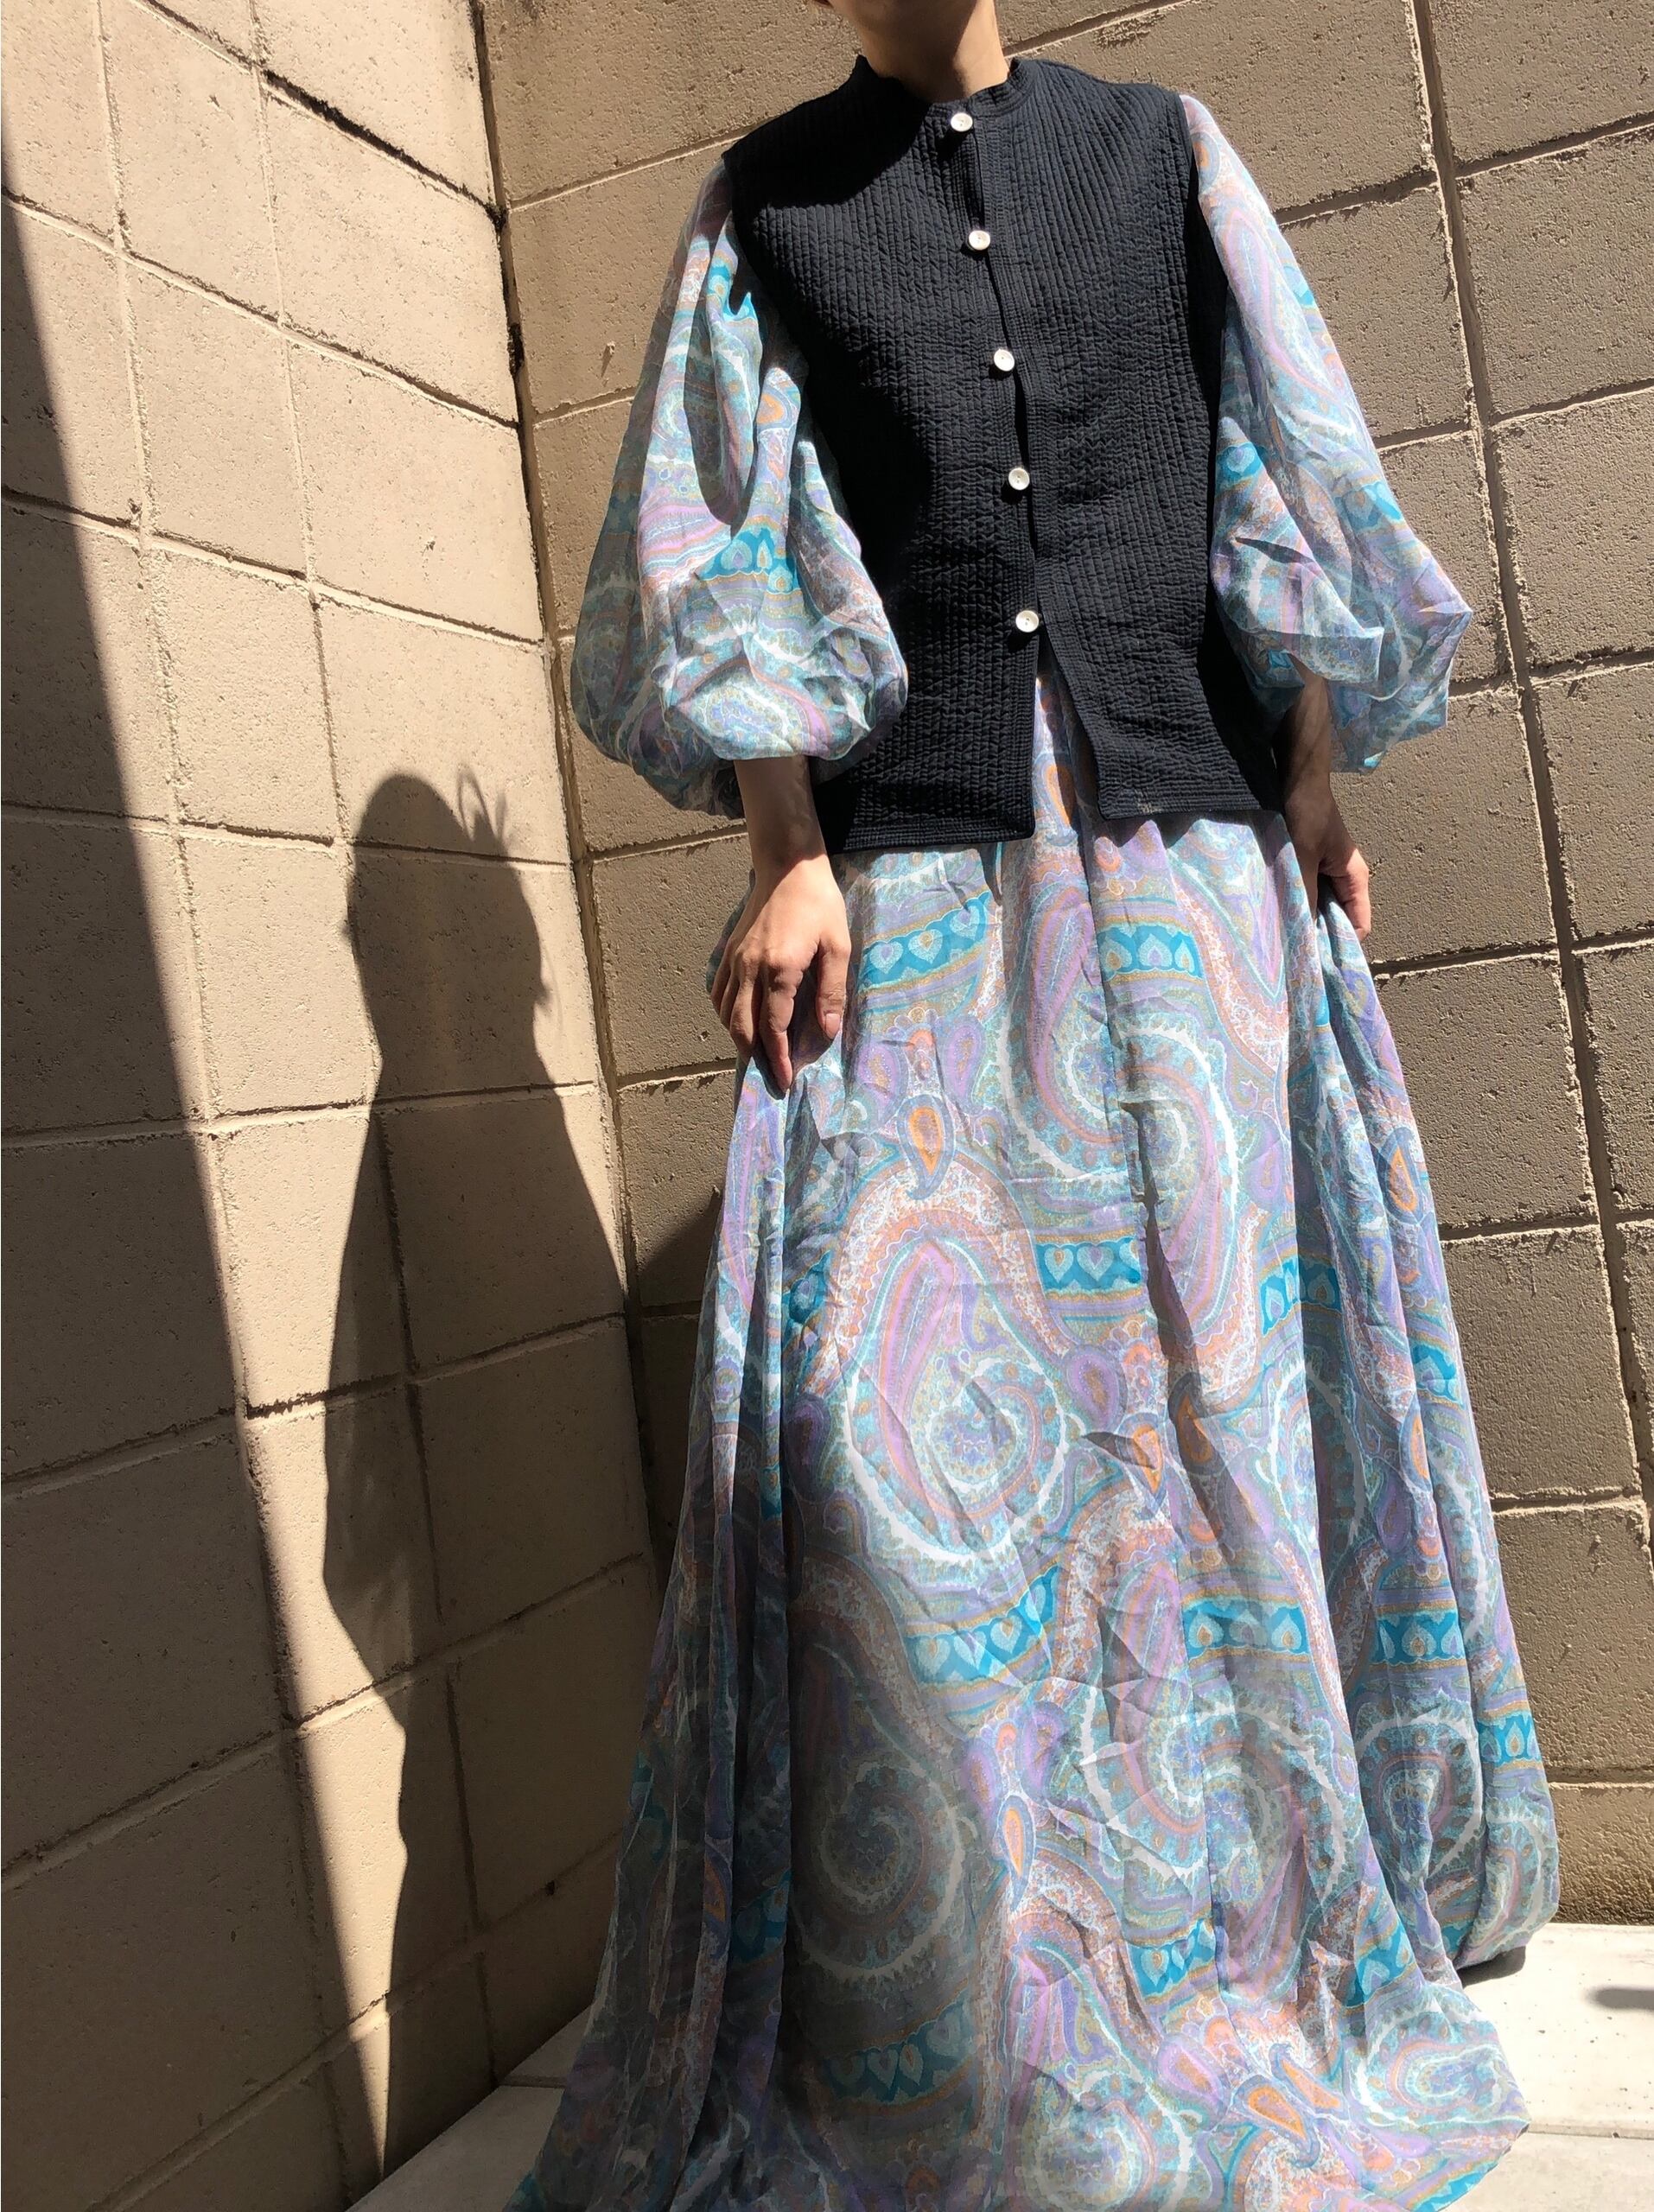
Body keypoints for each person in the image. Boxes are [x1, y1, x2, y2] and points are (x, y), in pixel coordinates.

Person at [508, 3, 1559, 2206]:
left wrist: (1314, 772)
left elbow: (1282, 455)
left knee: (1225, 1397)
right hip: (922, 889)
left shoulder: (1161, 152)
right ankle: (982, 1975)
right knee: (919, 1447)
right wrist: (785, 847)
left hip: (1192, 881)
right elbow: (729, 532)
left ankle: (1253, 1929)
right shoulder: (769, 208)